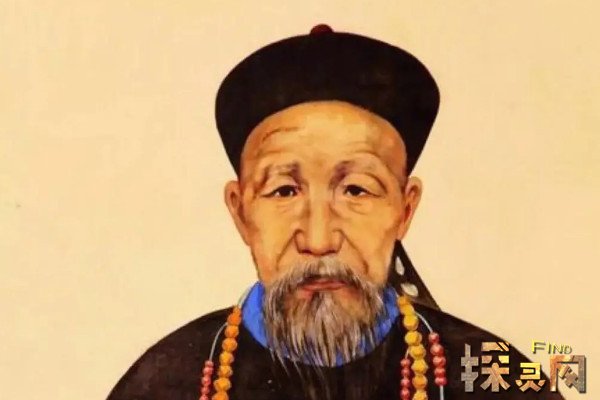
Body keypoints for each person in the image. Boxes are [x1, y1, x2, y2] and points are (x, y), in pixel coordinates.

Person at [107, 26, 564, 400]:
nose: (320, 239)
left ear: (405, 210)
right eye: (284, 190)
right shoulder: (163, 383)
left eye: (356, 190)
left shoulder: (501, 380)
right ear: (240, 212)